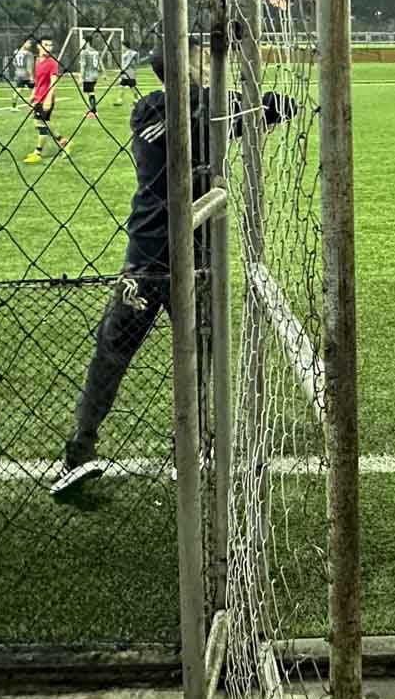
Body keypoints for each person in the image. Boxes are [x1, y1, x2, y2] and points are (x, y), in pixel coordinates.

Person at [51, 40, 296, 494]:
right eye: (201, 55)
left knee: (122, 356)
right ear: (183, 66)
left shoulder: (167, 109)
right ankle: (186, 447)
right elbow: (271, 109)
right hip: (172, 260)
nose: (209, 61)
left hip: (150, 258)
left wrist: (265, 106)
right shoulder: (182, 109)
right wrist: (266, 105)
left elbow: (270, 108)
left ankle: (84, 451)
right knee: (183, 355)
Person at [23, 38, 71, 164]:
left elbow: (53, 83)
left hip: (46, 99)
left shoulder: (52, 63)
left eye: (51, 45)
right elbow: (38, 81)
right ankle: (64, 143)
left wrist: (49, 98)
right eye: (46, 45)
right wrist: (32, 96)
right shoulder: (37, 60)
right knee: (44, 123)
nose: (49, 47)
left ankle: (38, 152)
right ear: (39, 46)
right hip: (38, 97)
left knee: (41, 126)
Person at [77, 33, 103, 118]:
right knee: (90, 92)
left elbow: (83, 65)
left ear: (86, 42)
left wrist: (81, 77)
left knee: (91, 93)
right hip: (95, 74)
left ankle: (94, 112)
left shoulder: (84, 52)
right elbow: (100, 63)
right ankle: (92, 110)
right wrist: (103, 73)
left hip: (88, 75)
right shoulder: (95, 51)